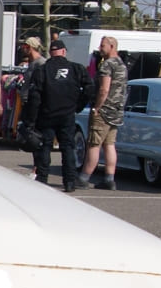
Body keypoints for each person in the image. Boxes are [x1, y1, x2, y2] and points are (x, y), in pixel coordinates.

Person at [23, 39, 91, 191]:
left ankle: (42, 179)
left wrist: (31, 121)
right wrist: (78, 106)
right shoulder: (76, 69)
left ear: (50, 53)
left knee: (45, 147)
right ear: (64, 52)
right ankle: (69, 182)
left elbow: (35, 97)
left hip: (46, 114)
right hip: (67, 115)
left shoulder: (43, 70)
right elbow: (89, 89)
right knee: (67, 147)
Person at [78, 35, 126, 190]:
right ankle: (109, 179)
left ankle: (84, 177)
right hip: (116, 111)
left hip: (104, 111)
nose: (100, 48)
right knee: (109, 144)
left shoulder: (107, 65)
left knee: (94, 144)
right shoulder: (122, 65)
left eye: (103, 45)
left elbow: (104, 89)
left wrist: (97, 107)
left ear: (112, 46)